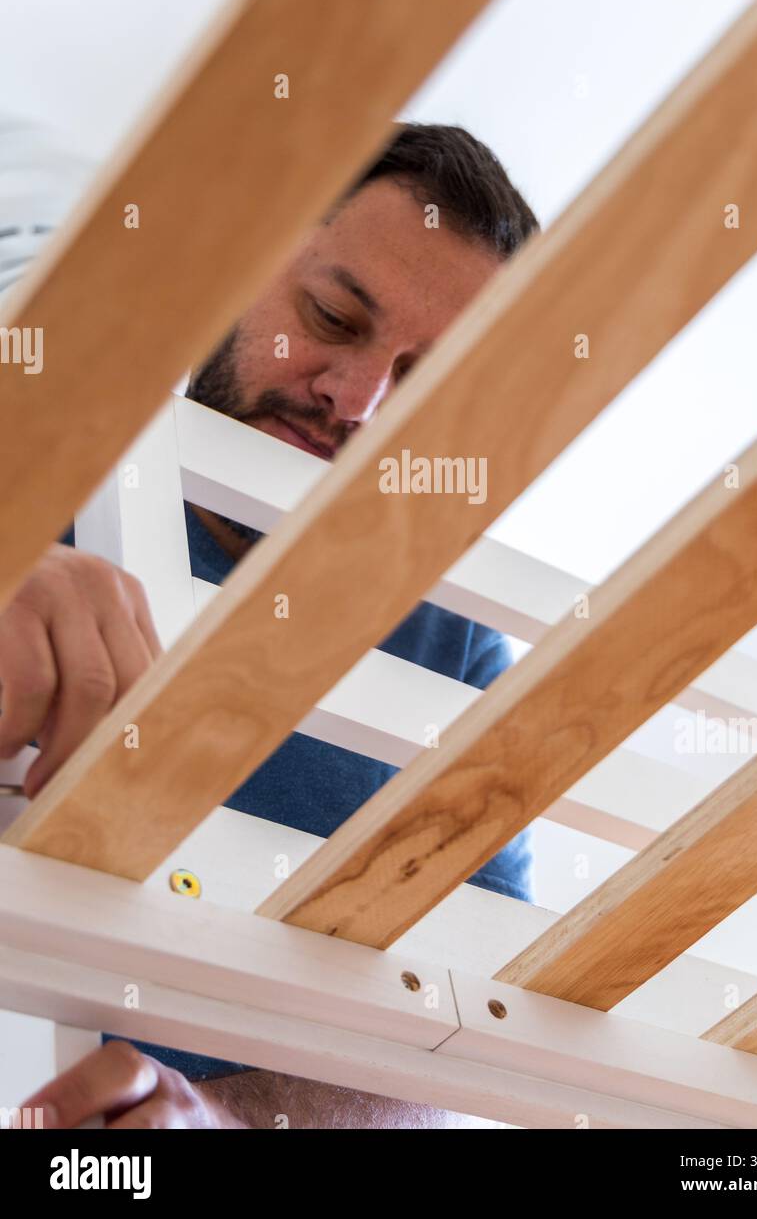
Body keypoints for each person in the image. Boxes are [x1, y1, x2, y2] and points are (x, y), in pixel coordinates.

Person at [2, 117, 540, 1127]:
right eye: (333, 316)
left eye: (418, 385)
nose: (354, 400)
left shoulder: (454, 647)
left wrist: (231, 1120)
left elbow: (460, 1049)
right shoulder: (38, 438)